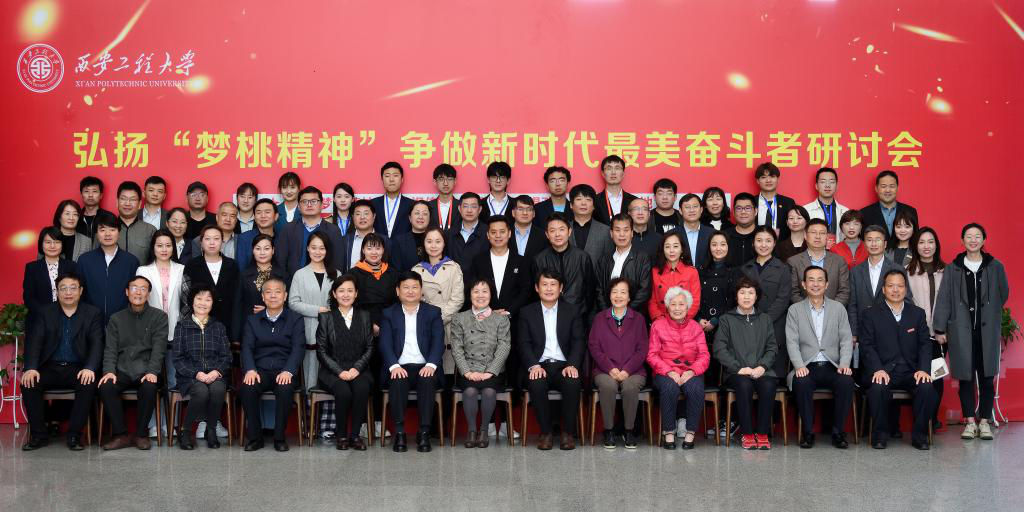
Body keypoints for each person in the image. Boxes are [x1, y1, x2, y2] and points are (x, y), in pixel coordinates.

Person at [933, 223, 1009, 441]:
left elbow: (1003, 293)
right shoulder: (953, 268)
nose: (973, 240)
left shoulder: (995, 266)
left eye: (977, 236)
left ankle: (984, 422)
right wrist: (940, 328)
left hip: (987, 331)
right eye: (969, 236)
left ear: (984, 240)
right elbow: (944, 298)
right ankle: (969, 422)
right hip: (960, 331)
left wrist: (990, 312)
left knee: (986, 377)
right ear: (962, 240)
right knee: (965, 378)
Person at [20, 272, 103, 451]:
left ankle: (74, 435)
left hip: (77, 368)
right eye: (63, 288)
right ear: (57, 291)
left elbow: (97, 344)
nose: (68, 292)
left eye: (73, 288)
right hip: (50, 367)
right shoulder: (45, 312)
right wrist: (31, 368)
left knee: (88, 383)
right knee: (29, 383)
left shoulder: (92, 313)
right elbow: (35, 342)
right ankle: (39, 435)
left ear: (80, 291)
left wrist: (90, 367)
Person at [860, 270, 937, 450]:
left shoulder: (917, 314)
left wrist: (923, 369)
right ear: (884, 289)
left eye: (900, 286)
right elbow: (866, 345)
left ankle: (920, 436)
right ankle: (880, 435)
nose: (895, 290)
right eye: (891, 286)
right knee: (878, 387)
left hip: (911, 371)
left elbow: (925, 345)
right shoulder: (871, 314)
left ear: (906, 289)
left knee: (926, 387)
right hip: (884, 369)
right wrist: (877, 369)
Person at [786, 266, 855, 449]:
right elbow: (791, 342)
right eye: (811, 280)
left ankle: (838, 433)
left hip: (833, 364)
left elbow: (846, 339)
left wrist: (844, 364)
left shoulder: (838, 308)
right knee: (801, 382)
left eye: (820, 280)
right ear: (803, 284)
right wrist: (799, 366)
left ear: (827, 284)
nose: (815, 284)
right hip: (807, 365)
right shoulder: (795, 310)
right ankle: (808, 433)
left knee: (846, 382)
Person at [97, 275, 169, 450]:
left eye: (143, 289)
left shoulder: (159, 317)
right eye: (134, 288)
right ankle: (120, 435)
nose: (138, 292)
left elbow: (159, 349)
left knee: (149, 387)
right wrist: (109, 371)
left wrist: (152, 371)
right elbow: (110, 349)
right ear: (127, 292)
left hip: (147, 369)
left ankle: (141, 434)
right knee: (106, 386)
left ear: (148, 294)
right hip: (122, 369)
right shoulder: (116, 318)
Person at [518, 271, 585, 450]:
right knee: (536, 382)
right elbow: (523, 343)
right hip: (539, 365)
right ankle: (545, 432)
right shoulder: (526, 312)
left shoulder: (572, 311)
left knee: (572, 381)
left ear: (561, 288)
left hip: (564, 365)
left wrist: (572, 364)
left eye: (553, 284)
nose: (549, 289)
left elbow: (578, 341)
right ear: (537, 288)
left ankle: (568, 433)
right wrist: (533, 365)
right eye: (544, 284)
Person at [379, 272, 445, 453]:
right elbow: (384, 344)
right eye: (406, 287)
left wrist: (431, 365)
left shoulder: (433, 312)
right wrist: (394, 366)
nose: (410, 291)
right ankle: (400, 433)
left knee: (427, 380)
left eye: (415, 287)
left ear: (421, 290)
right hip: (399, 366)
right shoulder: (388, 313)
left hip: (425, 366)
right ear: (397, 291)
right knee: (398, 380)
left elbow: (438, 341)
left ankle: (424, 432)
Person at [239, 278, 305, 452]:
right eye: (268, 292)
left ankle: (279, 437)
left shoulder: (295, 319)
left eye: (278, 292)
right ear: (263, 296)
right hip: (260, 370)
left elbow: (298, 348)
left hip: (284, 370)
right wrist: (250, 369)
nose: (273, 296)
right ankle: (255, 437)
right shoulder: (252, 320)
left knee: (285, 388)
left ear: (285, 296)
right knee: (247, 388)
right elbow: (247, 347)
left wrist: (288, 371)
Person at [713, 277, 778, 450]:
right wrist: (738, 368)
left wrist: (762, 366)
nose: (747, 296)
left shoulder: (765, 319)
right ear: (736, 296)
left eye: (751, 292)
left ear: (757, 296)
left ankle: (762, 433)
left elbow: (772, 347)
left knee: (769, 385)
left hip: (762, 371)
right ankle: (747, 434)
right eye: (742, 292)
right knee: (744, 385)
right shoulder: (727, 319)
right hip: (736, 372)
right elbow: (719, 349)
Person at [449, 279, 511, 448]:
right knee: (469, 391)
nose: (480, 295)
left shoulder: (501, 319)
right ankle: (471, 431)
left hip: (493, 372)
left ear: (491, 295)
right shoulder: (459, 318)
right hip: (468, 370)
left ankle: (483, 430)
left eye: (485, 291)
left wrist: (490, 371)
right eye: (476, 291)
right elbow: (456, 348)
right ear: (469, 295)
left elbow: (504, 346)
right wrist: (467, 372)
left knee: (489, 391)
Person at [316, 275, 375, 450]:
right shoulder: (326, 317)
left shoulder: (365, 316)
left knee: (361, 388)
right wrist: (339, 371)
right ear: (334, 294)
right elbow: (321, 351)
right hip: (332, 370)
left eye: (350, 290)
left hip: (359, 369)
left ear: (356, 294)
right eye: (341, 291)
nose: (346, 294)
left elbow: (370, 347)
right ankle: (341, 435)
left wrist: (357, 368)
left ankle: (355, 436)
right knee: (343, 391)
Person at [136, 229, 185, 437]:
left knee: (174, 381)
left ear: (173, 247)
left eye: (168, 245)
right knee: (151, 380)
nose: (164, 249)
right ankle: (154, 425)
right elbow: (138, 301)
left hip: (176, 332)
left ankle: (172, 424)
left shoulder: (182, 269)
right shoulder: (143, 270)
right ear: (153, 248)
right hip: (150, 334)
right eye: (159, 245)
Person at [589, 278, 649, 450]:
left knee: (630, 387)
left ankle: (628, 431)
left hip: (634, 371)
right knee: (608, 386)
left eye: (623, 292)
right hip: (605, 370)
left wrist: (627, 370)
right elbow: (594, 347)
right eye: (614, 292)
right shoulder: (600, 318)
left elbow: (642, 349)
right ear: (609, 295)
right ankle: (609, 430)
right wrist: (610, 368)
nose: (618, 296)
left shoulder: (638, 319)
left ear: (629, 297)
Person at [172, 283, 232, 450]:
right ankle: (185, 431)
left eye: (208, 299)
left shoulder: (218, 327)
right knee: (201, 391)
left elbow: (226, 356)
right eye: (199, 299)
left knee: (218, 389)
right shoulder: (182, 326)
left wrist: (216, 372)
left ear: (212, 303)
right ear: (192, 302)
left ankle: (211, 430)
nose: (203, 303)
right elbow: (177, 358)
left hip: (215, 374)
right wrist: (196, 373)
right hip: (190, 376)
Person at [649, 287, 707, 449]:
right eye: (673, 304)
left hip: (690, 371)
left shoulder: (696, 327)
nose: (677, 308)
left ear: (687, 307)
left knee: (695, 388)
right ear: (667, 306)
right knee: (669, 387)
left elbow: (704, 355)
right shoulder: (658, 326)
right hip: (665, 371)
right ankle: (669, 432)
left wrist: (692, 371)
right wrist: (669, 371)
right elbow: (652, 355)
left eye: (681, 304)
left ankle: (690, 432)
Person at [906, 227, 947, 428]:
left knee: (937, 377)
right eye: (921, 242)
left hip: (939, 335)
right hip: (915, 335)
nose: (926, 246)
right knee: (919, 377)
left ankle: (932, 419)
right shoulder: (908, 271)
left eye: (931, 242)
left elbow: (950, 303)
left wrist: (942, 329)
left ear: (936, 245)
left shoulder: (947, 271)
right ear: (915, 246)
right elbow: (906, 303)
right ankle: (921, 420)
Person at [288, 232, 339, 393]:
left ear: (327, 250)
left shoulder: (337, 274)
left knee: (333, 372)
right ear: (308, 249)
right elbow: (293, 303)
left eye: (322, 248)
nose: (318, 252)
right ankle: (309, 404)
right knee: (310, 370)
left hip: (332, 331)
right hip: (307, 329)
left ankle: (328, 408)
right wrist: (318, 310)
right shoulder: (300, 274)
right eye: (314, 247)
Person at [740, 227, 793, 378]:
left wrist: (764, 319)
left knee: (772, 377)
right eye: (759, 240)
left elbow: (783, 299)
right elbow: (741, 298)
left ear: (774, 243)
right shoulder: (745, 268)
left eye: (768, 241)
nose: (763, 245)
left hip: (774, 326)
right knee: (748, 376)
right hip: (748, 324)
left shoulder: (783, 268)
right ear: (753, 243)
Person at [411, 227, 465, 375]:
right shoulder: (416, 270)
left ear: (444, 244)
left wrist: (438, 318)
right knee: (425, 370)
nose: (433, 245)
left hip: (447, 322)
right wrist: (427, 319)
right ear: (424, 244)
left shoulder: (454, 268)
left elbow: (458, 299)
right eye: (429, 241)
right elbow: (412, 299)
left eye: (438, 241)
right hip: (423, 324)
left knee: (447, 371)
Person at [848, 225, 911, 341]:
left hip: (892, 329)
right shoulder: (855, 271)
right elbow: (852, 305)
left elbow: (906, 300)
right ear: (864, 244)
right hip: (864, 331)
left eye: (878, 240)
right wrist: (854, 333)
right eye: (869, 240)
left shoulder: (897, 269)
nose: (873, 244)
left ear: (885, 244)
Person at [77, 212, 140, 324]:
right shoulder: (85, 261)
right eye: (102, 230)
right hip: (91, 322)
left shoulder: (131, 261)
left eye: (112, 229)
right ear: (96, 233)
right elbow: (80, 294)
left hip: (123, 322)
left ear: (119, 232)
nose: (107, 234)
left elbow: (135, 294)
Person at [533, 213, 596, 321]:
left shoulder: (582, 257)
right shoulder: (539, 259)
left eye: (561, 229)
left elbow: (590, 290)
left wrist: (582, 310)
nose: (557, 234)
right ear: (547, 234)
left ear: (569, 231)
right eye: (552, 231)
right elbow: (536, 292)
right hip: (548, 316)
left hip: (578, 315)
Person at [695, 231, 740, 384]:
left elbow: (734, 302)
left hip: (725, 326)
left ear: (728, 247)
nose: (718, 248)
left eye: (722, 244)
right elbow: (693, 298)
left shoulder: (735, 272)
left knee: (722, 374)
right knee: (703, 371)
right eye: (714, 244)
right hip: (700, 327)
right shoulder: (700, 271)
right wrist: (698, 319)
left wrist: (716, 321)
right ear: (709, 247)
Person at [183, 225, 242, 342]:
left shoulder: (232, 265)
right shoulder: (192, 265)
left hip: (226, 322)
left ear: (222, 242)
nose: (212, 243)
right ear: (201, 242)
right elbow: (187, 296)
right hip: (199, 323)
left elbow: (237, 297)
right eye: (207, 239)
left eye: (216, 238)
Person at [467, 216, 533, 319]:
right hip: (484, 320)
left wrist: (509, 312)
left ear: (509, 233)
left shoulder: (521, 261)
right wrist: (488, 313)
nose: (498, 236)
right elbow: (472, 289)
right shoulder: (478, 261)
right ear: (488, 235)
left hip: (515, 320)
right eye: (493, 232)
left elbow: (526, 291)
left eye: (502, 232)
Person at [274, 186, 345, 279]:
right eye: (304, 202)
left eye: (314, 201)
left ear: (322, 205)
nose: (309, 205)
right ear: (298, 206)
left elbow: (338, 262)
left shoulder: (333, 231)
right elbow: (280, 260)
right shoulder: (288, 229)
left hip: (325, 283)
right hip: (292, 282)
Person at [594, 214, 652, 313]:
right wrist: (609, 314)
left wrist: (624, 314)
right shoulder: (604, 260)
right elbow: (599, 291)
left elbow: (644, 291)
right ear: (611, 233)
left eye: (626, 230)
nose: (622, 234)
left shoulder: (642, 258)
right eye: (617, 230)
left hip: (634, 316)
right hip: (607, 316)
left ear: (632, 233)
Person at [23, 227, 76, 331]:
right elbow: (28, 297)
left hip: (67, 320)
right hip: (39, 321)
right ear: (41, 244)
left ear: (62, 245)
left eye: (57, 242)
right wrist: (47, 314)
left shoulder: (72, 266)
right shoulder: (32, 268)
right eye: (48, 242)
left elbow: (77, 294)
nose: (52, 246)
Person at [788, 219, 850, 305]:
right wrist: (807, 309)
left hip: (833, 311)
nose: (818, 236)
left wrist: (833, 309)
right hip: (803, 311)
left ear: (827, 236)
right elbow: (793, 292)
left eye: (822, 233)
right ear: (805, 235)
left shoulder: (839, 261)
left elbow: (844, 291)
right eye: (813, 232)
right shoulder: (793, 262)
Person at [350, 233, 399, 330]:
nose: (374, 252)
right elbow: (350, 303)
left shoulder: (392, 273)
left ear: (383, 250)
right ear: (363, 250)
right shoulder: (353, 274)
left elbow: (396, 302)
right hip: (362, 325)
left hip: (389, 324)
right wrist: (369, 324)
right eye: (369, 248)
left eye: (378, 248)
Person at [649, 232, 700, 321]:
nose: (671, 250)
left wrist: (682, 320)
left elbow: (695, 301)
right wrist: (661, 321)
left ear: (682, 249)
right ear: (663, 250)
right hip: (661, 322)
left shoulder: (692, 272)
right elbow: (652, 301)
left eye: (675, 246)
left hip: (684, 322)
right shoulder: (655, 272)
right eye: (667, 247)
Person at [240, 233, 287, 324]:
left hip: (277, 325)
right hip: (250, 324)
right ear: (253, 251)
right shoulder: (243, 275)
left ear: (273, 250)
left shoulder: (283, 275)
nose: (262, 253)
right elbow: (238, 305)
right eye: (258, 249)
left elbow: (288, 305)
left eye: (266, 248)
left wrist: (269, 310)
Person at [859, 169, 919, 239]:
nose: (888, 190)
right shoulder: (864, 213)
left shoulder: (910, 211)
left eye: (892, 186)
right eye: (883, 186)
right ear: (876, 189)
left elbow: (915, 239)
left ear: (897, 188)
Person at [568, 184, 613, 266]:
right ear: (571, 204)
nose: (583, 203)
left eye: (588, 199)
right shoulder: (563, 229)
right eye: (579, 199)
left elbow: (609, 261)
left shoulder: (605, 231)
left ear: (594, 206)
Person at [802, 168, 849, 246]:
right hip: (813, 251)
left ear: (837, 186)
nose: (827, 185)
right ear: (816, 186)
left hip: (838, 252)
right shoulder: (806, 210)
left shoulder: (845, 211)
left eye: (832, 182)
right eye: (823, 182)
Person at [341, 199, 392, 271]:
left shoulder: (385, 241)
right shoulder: (344, 241)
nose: (362, 217)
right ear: (353, 217)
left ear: (374, 216)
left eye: (366, 213)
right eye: (358, 214)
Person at [113, 180, 158, 263]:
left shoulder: (150, 230)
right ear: (117, 202)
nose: (127, 203)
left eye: (132, 199)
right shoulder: (105, 229)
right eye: (123, 199)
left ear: (140, 204)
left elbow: (156, 262)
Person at [670, 193, 714, 268]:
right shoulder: (672, 234)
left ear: (701, 209)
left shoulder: (712, 233)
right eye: (687, 207)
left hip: (707, 274)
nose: (691, 210)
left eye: (695, 206)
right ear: (680, 211)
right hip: (681, 275)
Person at [372, 161, 415, 238]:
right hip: (378, 245)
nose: (391, 179)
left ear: (402, 179)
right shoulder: (373, 204)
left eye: (395, 175)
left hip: (403, 245)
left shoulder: (412, 205)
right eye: (387, 176)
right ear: (382, 179)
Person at [447, 192, 488, 270]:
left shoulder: (488, 233)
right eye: (465, 206)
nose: (469, 210)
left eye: (474, 206)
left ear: (480, 209)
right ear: (459, 209)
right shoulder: (449, 234)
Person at [754, 162, 796, 239]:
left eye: (772, 176)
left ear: (778, 179)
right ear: (757, 181)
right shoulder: (752, 202)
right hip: (756, 244)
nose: (768, 180)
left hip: (782, 245)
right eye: (763, 177)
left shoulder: (788, 203)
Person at [235, 198, 278, 271]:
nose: (263, 216)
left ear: (276, 216)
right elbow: (241, 268)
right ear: (254, 217)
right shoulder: (244, 238)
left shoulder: (282, 238)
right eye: (258, 212)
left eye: (267, 212)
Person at [594, 155, 638, 226]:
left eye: (617, 168)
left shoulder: (634, 201)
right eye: (609, 168)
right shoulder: (594, 201)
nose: (613, 172)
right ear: (603, 173)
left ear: (623, 173)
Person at [390, 200, 432, 272]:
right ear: (410, 218)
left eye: (425, 214)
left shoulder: (436, 239)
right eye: (417, 213)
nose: (420, 217)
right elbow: (396, 270)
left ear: (430, 218)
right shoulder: (399, 241)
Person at [509, 195, 549, 261]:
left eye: (529, 209)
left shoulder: (543, 235)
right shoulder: (505, 233)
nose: (525, 213)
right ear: (513, 213)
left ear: (534, 213)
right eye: (520, 209)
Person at [726, 192, 758, 267]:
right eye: (739, 208)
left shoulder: (764, 234)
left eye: (748, 208)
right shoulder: (725, 236)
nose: (743, 212)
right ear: (733, 212)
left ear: (755, 211)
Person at [426, 164, 460, 231]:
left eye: (449, 179)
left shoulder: (461, 206)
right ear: (435, 182)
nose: (445, 183)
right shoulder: (428, 206)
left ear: (455, 181)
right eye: (441, 179)